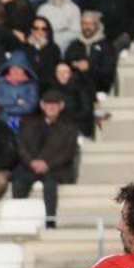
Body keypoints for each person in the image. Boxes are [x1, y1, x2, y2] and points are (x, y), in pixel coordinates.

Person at [12, 89, 80, 228]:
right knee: (19, 183)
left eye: (55, 104)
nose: (51, 107)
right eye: (48, 103)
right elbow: (21, 146)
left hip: (55, 169)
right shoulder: (29, 124)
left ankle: (50, 221)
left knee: (50, 184)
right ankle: (18, 221)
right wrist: (32, 162)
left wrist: (47, 164)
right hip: (30, 167)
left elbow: (68, 152)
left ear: (61, 106)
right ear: (42, 105)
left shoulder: (70, 128)